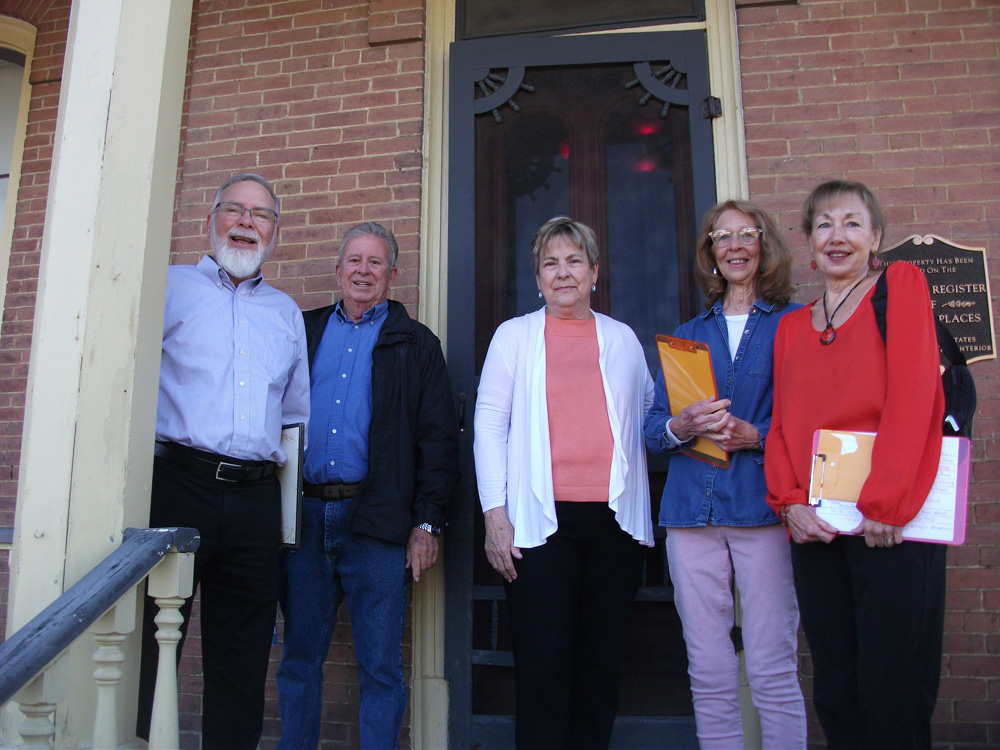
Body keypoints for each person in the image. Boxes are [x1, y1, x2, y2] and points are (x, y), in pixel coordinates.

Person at [765, 180, 946, 749]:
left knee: (892, 689)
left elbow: (915, 395)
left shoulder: (900, 286)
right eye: (824, 224)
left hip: (888, 523)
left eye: (852, 223)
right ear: (809, 242)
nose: (837, 236)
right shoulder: (791, 327)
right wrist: (789, 504)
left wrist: (888, 501)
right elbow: (782, 426)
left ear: (876, 238)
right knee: (837, 688)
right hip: (818, 526)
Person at [137, 173, 310, 749]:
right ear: (209, 220)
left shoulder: (285, 313)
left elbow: (293, 420)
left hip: (255, 501)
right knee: (149, 646)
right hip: (175, 486)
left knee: (242, 660)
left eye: (260, 215)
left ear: (274, 232)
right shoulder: (168, 288)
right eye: (234, 209)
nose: (245, 222)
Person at [276, 221, 460, 750]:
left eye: (375, 262)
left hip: (378, 521)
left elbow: (438, 442)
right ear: (338, 271)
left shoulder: (417, 344)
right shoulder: (303, 332)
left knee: (381, 665)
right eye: (354, 261)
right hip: (304, 518)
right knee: (298, 658)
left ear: (392, 274)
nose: (363, 271)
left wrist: (427, 522)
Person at [474, 216, 654, 750]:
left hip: (614, 524)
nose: (563, 272)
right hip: (539, 526)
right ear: (537, 278)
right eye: (550, 263)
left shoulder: (622, 339)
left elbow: (649, 416)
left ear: (594, 271)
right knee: (543, 669)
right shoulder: (514, 337)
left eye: (574, 261)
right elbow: (489, 425)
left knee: (600, 667)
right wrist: (495, 515)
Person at [644, 200, 807, 749]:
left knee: (772, 666)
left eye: (746, 234)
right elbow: (651, 429)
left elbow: (814, 421)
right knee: (708, 671)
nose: (734, 246)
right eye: (722, 237)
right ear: (710, 252)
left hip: (765, 509)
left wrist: (756, 435)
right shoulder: (686, 335)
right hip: (691, 512)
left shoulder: (795, 325)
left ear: (765, 246)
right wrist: (681, 424)